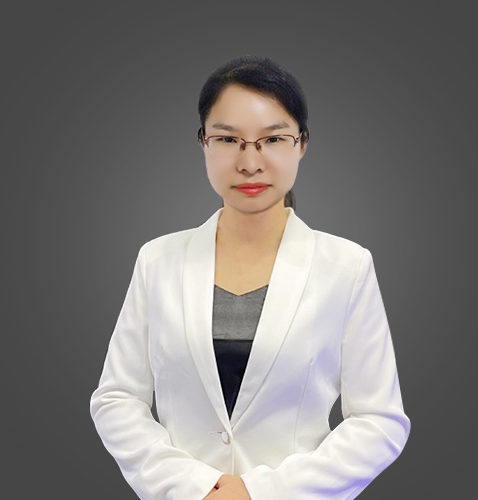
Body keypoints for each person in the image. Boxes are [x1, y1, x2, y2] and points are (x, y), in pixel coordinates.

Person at [90, 55, 411, 500]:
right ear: (204, 143)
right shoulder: (157, 260)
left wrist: (259, 492)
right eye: (228, 139)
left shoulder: (347, 266)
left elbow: (379, 421)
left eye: (272, 139)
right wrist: (195, 488)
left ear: (301, 144)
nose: (249, 162)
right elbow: (117, 398)